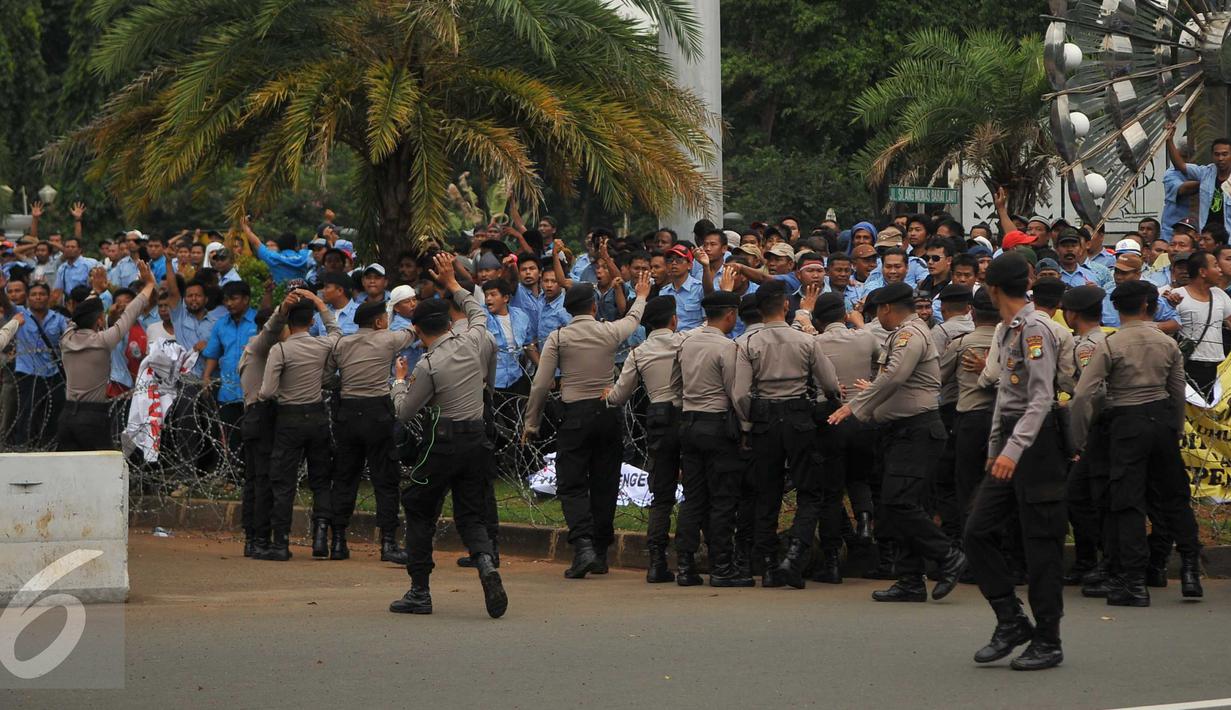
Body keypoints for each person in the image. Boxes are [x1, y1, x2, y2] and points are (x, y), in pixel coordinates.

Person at [828, 281, 966, 603]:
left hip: (916, 431)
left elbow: (895, 377)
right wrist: (871, 398)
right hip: (901, 431)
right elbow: (892, 382)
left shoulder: (909, 335)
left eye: (877, 310)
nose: (877, 316)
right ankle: (910, 579)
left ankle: (948, 555)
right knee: (899, 505)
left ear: (887, 308)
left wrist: (854, 406)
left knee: (899, 502)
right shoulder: (903, 335)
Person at [1069, 279, 1203, 606]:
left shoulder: (1111, 344)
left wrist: (1080, 437)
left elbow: (1084, 394)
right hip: (1161, 420)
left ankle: (1133, 582)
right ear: (1148, 305)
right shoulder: (1167, 343)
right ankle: (1190, 570)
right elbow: (1177, 392)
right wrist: (1175, 429)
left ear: (1116, 308)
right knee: (1174, 498)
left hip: (1126, 423)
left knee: (1127, 502)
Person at [963, 253, 1066, 672]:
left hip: (1036, 446)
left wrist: (1012, 449)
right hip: (1010, 439)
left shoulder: (1035, 327)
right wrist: (995, 449)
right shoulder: (1007, 330)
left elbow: (1041, 398)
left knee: (1041, 544)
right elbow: (1004, 396)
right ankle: (1010, 619)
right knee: (976, 531)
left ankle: (1049, 639)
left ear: (992, 288)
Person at [389, 255, 507, 619]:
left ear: (418, 330)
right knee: (471, 514)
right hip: (476, 441)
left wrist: (398, 382)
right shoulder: (473, 340)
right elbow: (478, 312)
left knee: (419, 507)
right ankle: (485, 562)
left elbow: (404, 412)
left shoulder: (428, 365)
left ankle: (419, 591)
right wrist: (453, 282)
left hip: (442, 444)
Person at [523, 271, 651, 578]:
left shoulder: (558, 338)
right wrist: (642, 296)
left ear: (568, 310)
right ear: (594, 306)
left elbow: (540, 384)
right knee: (606, 483)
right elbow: (632, 320)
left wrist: (531, 422)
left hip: (574, 415)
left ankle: (583, 547)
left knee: (572, 483)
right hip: (607, 413)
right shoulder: (608, 331)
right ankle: (601, 551)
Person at [733, 281, 841, 589]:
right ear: (785, 306)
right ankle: (794, 555)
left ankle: (768, 565)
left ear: (759, 311)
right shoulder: (805, 340)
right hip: (799, 417)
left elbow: (740, 393)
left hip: (764, 420)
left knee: (766, 492)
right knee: (809, 491)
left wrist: (747, 425)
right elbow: (830, 383)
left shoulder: (748, 343)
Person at [326, 297, 418, 565]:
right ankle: (388, 542)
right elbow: (414, 330)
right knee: (385, 479)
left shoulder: (342, 344)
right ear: (379, 321)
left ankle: (338, 541)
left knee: (345, 477)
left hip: (348, 413)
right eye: (385, 317)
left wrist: (346, 383)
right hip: (377, 412)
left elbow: (326, 377)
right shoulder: (388, 339)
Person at [245, 290, 333, 560]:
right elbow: (337, 333)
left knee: (282, 483)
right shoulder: (322, 345)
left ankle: (280, 543)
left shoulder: (281, 350)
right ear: (311, 321)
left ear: (289, 323)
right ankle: (321, 538)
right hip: (317, 416)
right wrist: (320, 304)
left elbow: (268, 391)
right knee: (320, 480)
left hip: (288, 418)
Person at [604, 295, 682, 583]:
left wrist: (607, 395)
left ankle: (656, 562)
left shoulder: (639, 353)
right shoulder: (684, 342)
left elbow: (619, 395)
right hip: (687, 416)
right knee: (697, 490)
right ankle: (687, 559)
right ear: (674, 320)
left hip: (659, 420)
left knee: (661, 495)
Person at [673, 290, 747, 586]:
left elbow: (675, 385)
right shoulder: (727, 347)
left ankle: (685, 565)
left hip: (689, 423)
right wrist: (746, 426)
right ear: (730, 314)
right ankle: (721, 567)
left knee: (693, 498)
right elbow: (737, 393)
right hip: (717, 425)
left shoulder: (686, 343)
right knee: (722, 499)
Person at [807, 293, 881, 582]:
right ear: (844, 314)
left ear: (818, 319)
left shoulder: (814, 343)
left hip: (830, 419)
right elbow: (882, 361)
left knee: (832, 491)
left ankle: (832, 562)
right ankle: (864, 522)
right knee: (860, 479)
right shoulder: (865, 338)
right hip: (863, 418)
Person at [58, 259, 156, 450]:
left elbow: (77, 316)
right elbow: (130, 312)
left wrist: (95, 291)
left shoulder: (66, 338)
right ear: (100, 320)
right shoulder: (103, 341)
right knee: (104, 465)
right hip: (92, 417)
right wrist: (150, 284)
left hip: (67, 414)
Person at [1058, 285, 1108, 587]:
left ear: (1073, 314)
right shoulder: (1101, 340)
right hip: (1102, 430)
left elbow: (1092, 391)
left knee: (1080, 497)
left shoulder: (1087, 346)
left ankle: (1094, 561)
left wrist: (1082, 436)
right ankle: (1091, 561)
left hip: (1094, 431)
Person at [0, 278, 67, 447]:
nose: (38, 297)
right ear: (28, 298)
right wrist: (1, 289)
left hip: (52, 373)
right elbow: (6, 304)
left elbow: (68, 338)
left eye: (42, 294)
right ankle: (24, 448)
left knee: (52, 417)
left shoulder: (58, 319)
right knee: (26, 416)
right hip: (27, 373)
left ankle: (50, 448)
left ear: (49, 297)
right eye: (34, 294)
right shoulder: (20, 313)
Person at [201, 280, 255, 469]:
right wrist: (206, 377)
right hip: (229, 391)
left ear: (246, 299)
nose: (229, 304)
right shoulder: (221, 325)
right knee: (232, 437)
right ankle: (235, 475)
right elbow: (213, 353)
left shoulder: (258, 322)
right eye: (226, 300)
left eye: (234, 299)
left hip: (254, 391)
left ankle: (253, 474)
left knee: (254, 436)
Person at [1169, 250, 1231, 401]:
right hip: (1188, 365)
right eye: (1215, 265)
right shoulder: (1177, 296)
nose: (1220, 270)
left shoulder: (1219, 295)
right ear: (1202, 272)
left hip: (1216, 366)